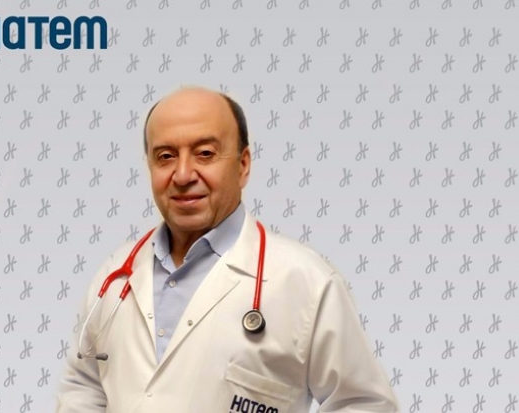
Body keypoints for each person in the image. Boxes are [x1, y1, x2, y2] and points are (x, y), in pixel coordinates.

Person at [56, 87, 400, 412]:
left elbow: (364, 404)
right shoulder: (116, 274)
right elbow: (84, 386)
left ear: (243, 165)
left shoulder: (306, 281)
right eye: (166, 156)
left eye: (205, 153)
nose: (183, 174)